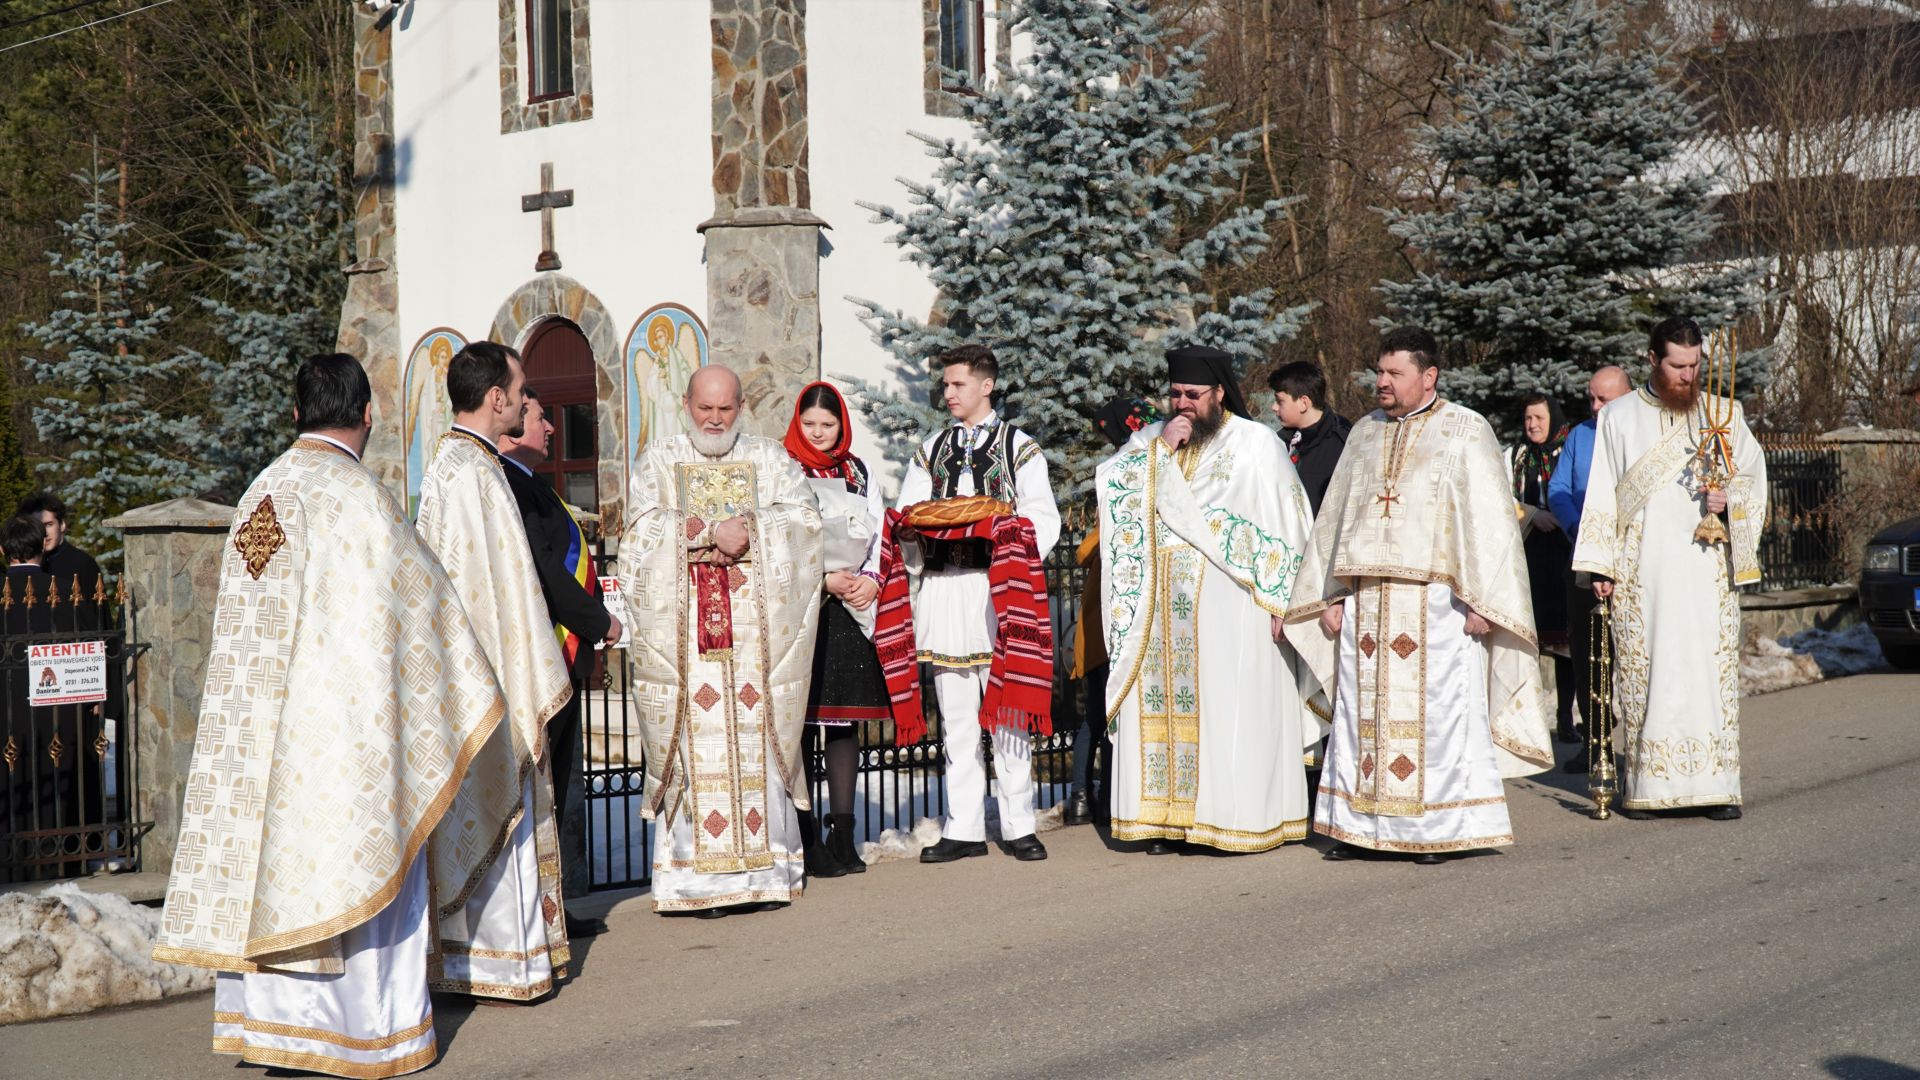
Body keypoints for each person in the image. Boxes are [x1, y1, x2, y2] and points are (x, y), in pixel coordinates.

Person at [152, 353, 517, 1078]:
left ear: (295, 414)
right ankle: (358, 1034)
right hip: (341, 741)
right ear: (368, 415)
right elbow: (422, 619)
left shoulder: (262, 493)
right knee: (361, 855)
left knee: (275, 864)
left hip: (261, 743)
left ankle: (279, 1032)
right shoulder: (358, 498)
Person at [1283, 327, 1554, 864]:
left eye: (1394, 373)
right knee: (1362, 715)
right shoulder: (1361, 433)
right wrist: (1330, 595)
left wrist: (1484, 601)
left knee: (1437, 714)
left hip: (1437, 606)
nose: (1381, 382)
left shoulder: (1463, 429)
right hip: (1367, 604)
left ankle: (1433, 829)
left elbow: (1488, 525)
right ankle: (1356, 827)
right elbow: (1336, 523)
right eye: (1379, 372)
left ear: (1428, 376)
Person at [619, 366, 824, 916]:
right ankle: (696, 884)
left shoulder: (769, 460)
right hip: (690, 647)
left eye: (725, 409)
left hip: (757, 645)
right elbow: (637, 537)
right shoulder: (659, 460)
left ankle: (764, 874)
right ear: (686, 403)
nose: (714, 419)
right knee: (696, 746)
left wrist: (750, 528)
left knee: (756, 742)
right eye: (705, 408)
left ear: (741, 407)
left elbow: (805, 521)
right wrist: (709, 533)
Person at [1100, 346, 1318, 853]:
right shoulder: (1152, 441)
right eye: (1175, 394)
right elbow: (1112, 487)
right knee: (1167, 712)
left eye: (1193, 395)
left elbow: (1288, 530)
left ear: (1219, 393)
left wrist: (1284, 603)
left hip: (1234, 611)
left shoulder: (1256, 444)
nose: (1182, 404)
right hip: (1160, 616)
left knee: (1227, 714)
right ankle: (1167, 821)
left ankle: (1224, 821)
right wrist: (1159, 453)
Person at [416, 341, 574, 1000]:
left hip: (464, 675)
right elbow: (508, 594)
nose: (525, 396)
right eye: (520, 386)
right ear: (497, 399)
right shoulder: (476, 474)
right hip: (493, 676)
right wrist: (529, 669)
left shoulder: (449, 464)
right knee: (499, 805)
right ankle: (504, 961)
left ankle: (473, 958)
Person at [1571, 317, 1767, 821]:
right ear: (1652, 360)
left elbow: (1754, 478)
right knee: (1649, 674)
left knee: (1706, 672)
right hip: (1645, 574)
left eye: (1695, 365)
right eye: (1677, 366)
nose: (1687, 375)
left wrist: (1730, 502)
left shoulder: (1724, 412)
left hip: (1706, 574)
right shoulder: (1618, 417)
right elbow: (1600, 494)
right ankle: (1648, 787)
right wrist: (1599, 564)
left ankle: (1718, 787)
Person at [893, 344, 1061, 864]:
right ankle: (963, 826)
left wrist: (1003, 531)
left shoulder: (1020, 447)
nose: (947, 393)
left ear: (986, 386)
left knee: (1007, 712)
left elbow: (1042, 517)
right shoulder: (932, 448)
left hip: (996, 589)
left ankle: (1018, 824)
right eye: (945, 385)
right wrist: (919, 530)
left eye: (957, 384)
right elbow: (907, 513)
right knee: (957, 717)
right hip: (945, 587)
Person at [496, 387, 620, 936]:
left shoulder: (531, 485)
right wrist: (599, 621)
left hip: (562, 654)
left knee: (562, 786)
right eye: (542, 419)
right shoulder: (511, 488)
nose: (551, 429)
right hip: (544, 653)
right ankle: (544, 913)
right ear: (512, 426)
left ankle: (558, 905)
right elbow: (545, 571)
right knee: (545, 787)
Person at [782, 380, 887, 877]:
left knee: (844, 720)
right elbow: (777, 537)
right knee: (802, 721)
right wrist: (822, 576)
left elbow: (878, 527)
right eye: (810, 425)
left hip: (850, 605)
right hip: (802, 606)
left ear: (842, 425)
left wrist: (868, 577)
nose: (819, 433)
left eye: (828, 424)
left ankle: (842, 833)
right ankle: (805, 838)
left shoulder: (857, 471)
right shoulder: (782, 469)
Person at [1062, 398, 1165, 827]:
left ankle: (1090, 797)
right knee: (1102, 715)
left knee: (1101, 715)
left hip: (1108, 627)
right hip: (1108, 630)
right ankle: (1090, 796)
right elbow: (1089, 549)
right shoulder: (1128, 490)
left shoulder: (1126, 478)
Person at [1547, 366, 1633, 773]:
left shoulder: (1640, 432)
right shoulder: (1580, 435)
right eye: (1592, 399)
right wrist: (1578, 526)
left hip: (1633, 562)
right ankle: (1595, 741)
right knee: (1587, 655)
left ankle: (1639, 745)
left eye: (1605, 400)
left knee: (1633, 655)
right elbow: (1559, 489)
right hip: (1584, 559)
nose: (1595, 407)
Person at [1506, 391, 1576, 743]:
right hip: (1530, 555)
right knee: (1529, 645)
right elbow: (1501, 498)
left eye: (1539, 419)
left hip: (1564, 556)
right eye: (1527, 418)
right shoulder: (1516, 457)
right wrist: (1533, 514)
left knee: (1566, 646)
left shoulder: (1569, 452)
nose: (1532, 425)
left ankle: (1565, 718)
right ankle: (1528, 720)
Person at [1268, 361, 1353, 515]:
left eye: (1280, 401)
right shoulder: (1279, 442)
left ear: (1303, 403)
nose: (1274, 407)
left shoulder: (1341, 445)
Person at [16, 491, 102, 601]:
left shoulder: (83, 564)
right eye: (36, 526)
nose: (44, 533)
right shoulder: (23, 562)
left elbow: (97, 612)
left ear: (62, 525)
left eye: (49, 525)